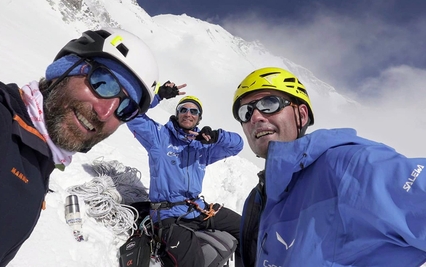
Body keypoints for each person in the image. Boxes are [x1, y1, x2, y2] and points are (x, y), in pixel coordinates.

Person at [232, 66, 426, 267]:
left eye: (269, 103)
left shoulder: (348, 165)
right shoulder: (259, 198)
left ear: (302, 115)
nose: (255, 117)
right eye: (245, 112)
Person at [0, 28, 159, 267]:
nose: (105, 114)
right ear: (64, 69)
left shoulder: (38, 155)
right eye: (103, 83)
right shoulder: (3, 123)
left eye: (124, 108)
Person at [127, 82, 244, 266]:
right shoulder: (159, 137)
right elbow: (131, 113)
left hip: (198, 209)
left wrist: (217, 136)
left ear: (199, 118)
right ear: (177, 113)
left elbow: (238, 145)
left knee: (247, 228)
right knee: (193, 261)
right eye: (183, 109)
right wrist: (157, 95)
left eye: (194, 111)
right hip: (167, 215)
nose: (188, 113)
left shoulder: (203, 147)